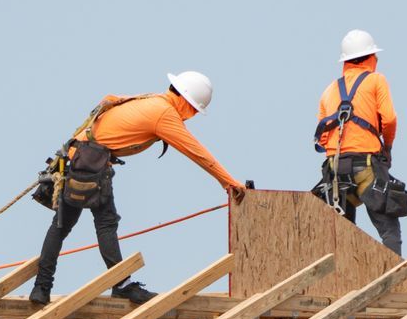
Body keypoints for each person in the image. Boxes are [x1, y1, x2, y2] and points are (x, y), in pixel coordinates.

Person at [31, 71, 246, 306]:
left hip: (77, 157)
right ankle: (121, 285)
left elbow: (109, 97)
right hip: (90, 163)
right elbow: (197, 152)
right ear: (186, 101)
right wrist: (229, 182)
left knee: (62, 226)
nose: (192, 116)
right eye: (194, 110)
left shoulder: (151, 100)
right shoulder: (164, 114)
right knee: (106, 223)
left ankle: (41, 288)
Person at [312, 29, 407, 251]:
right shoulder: (376, 80)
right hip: (366, 164)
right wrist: (388, 147)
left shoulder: (329, 90)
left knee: (342, 232)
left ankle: (343, 280)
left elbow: (322, 136)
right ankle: (394, 277)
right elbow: (390, 119)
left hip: (334, 169)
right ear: (371, 57)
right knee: (389, 227)